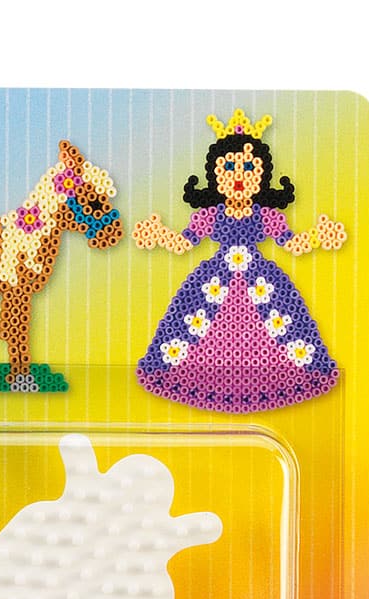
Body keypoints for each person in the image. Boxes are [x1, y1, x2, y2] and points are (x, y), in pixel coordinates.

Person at [133, 110, 346, 411]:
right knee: (197, 325)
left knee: (277, 324)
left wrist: (317, 236)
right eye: (229, 167)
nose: (238, 175)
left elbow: (290, 242)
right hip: (216, 279)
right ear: (216, 176)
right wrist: (159, 234)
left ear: (260, 176)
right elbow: (185, 242)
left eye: (247, 167)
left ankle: (275, 379)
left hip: (258, 280)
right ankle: (199, 378)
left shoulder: (266, 215)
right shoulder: (211, 215)